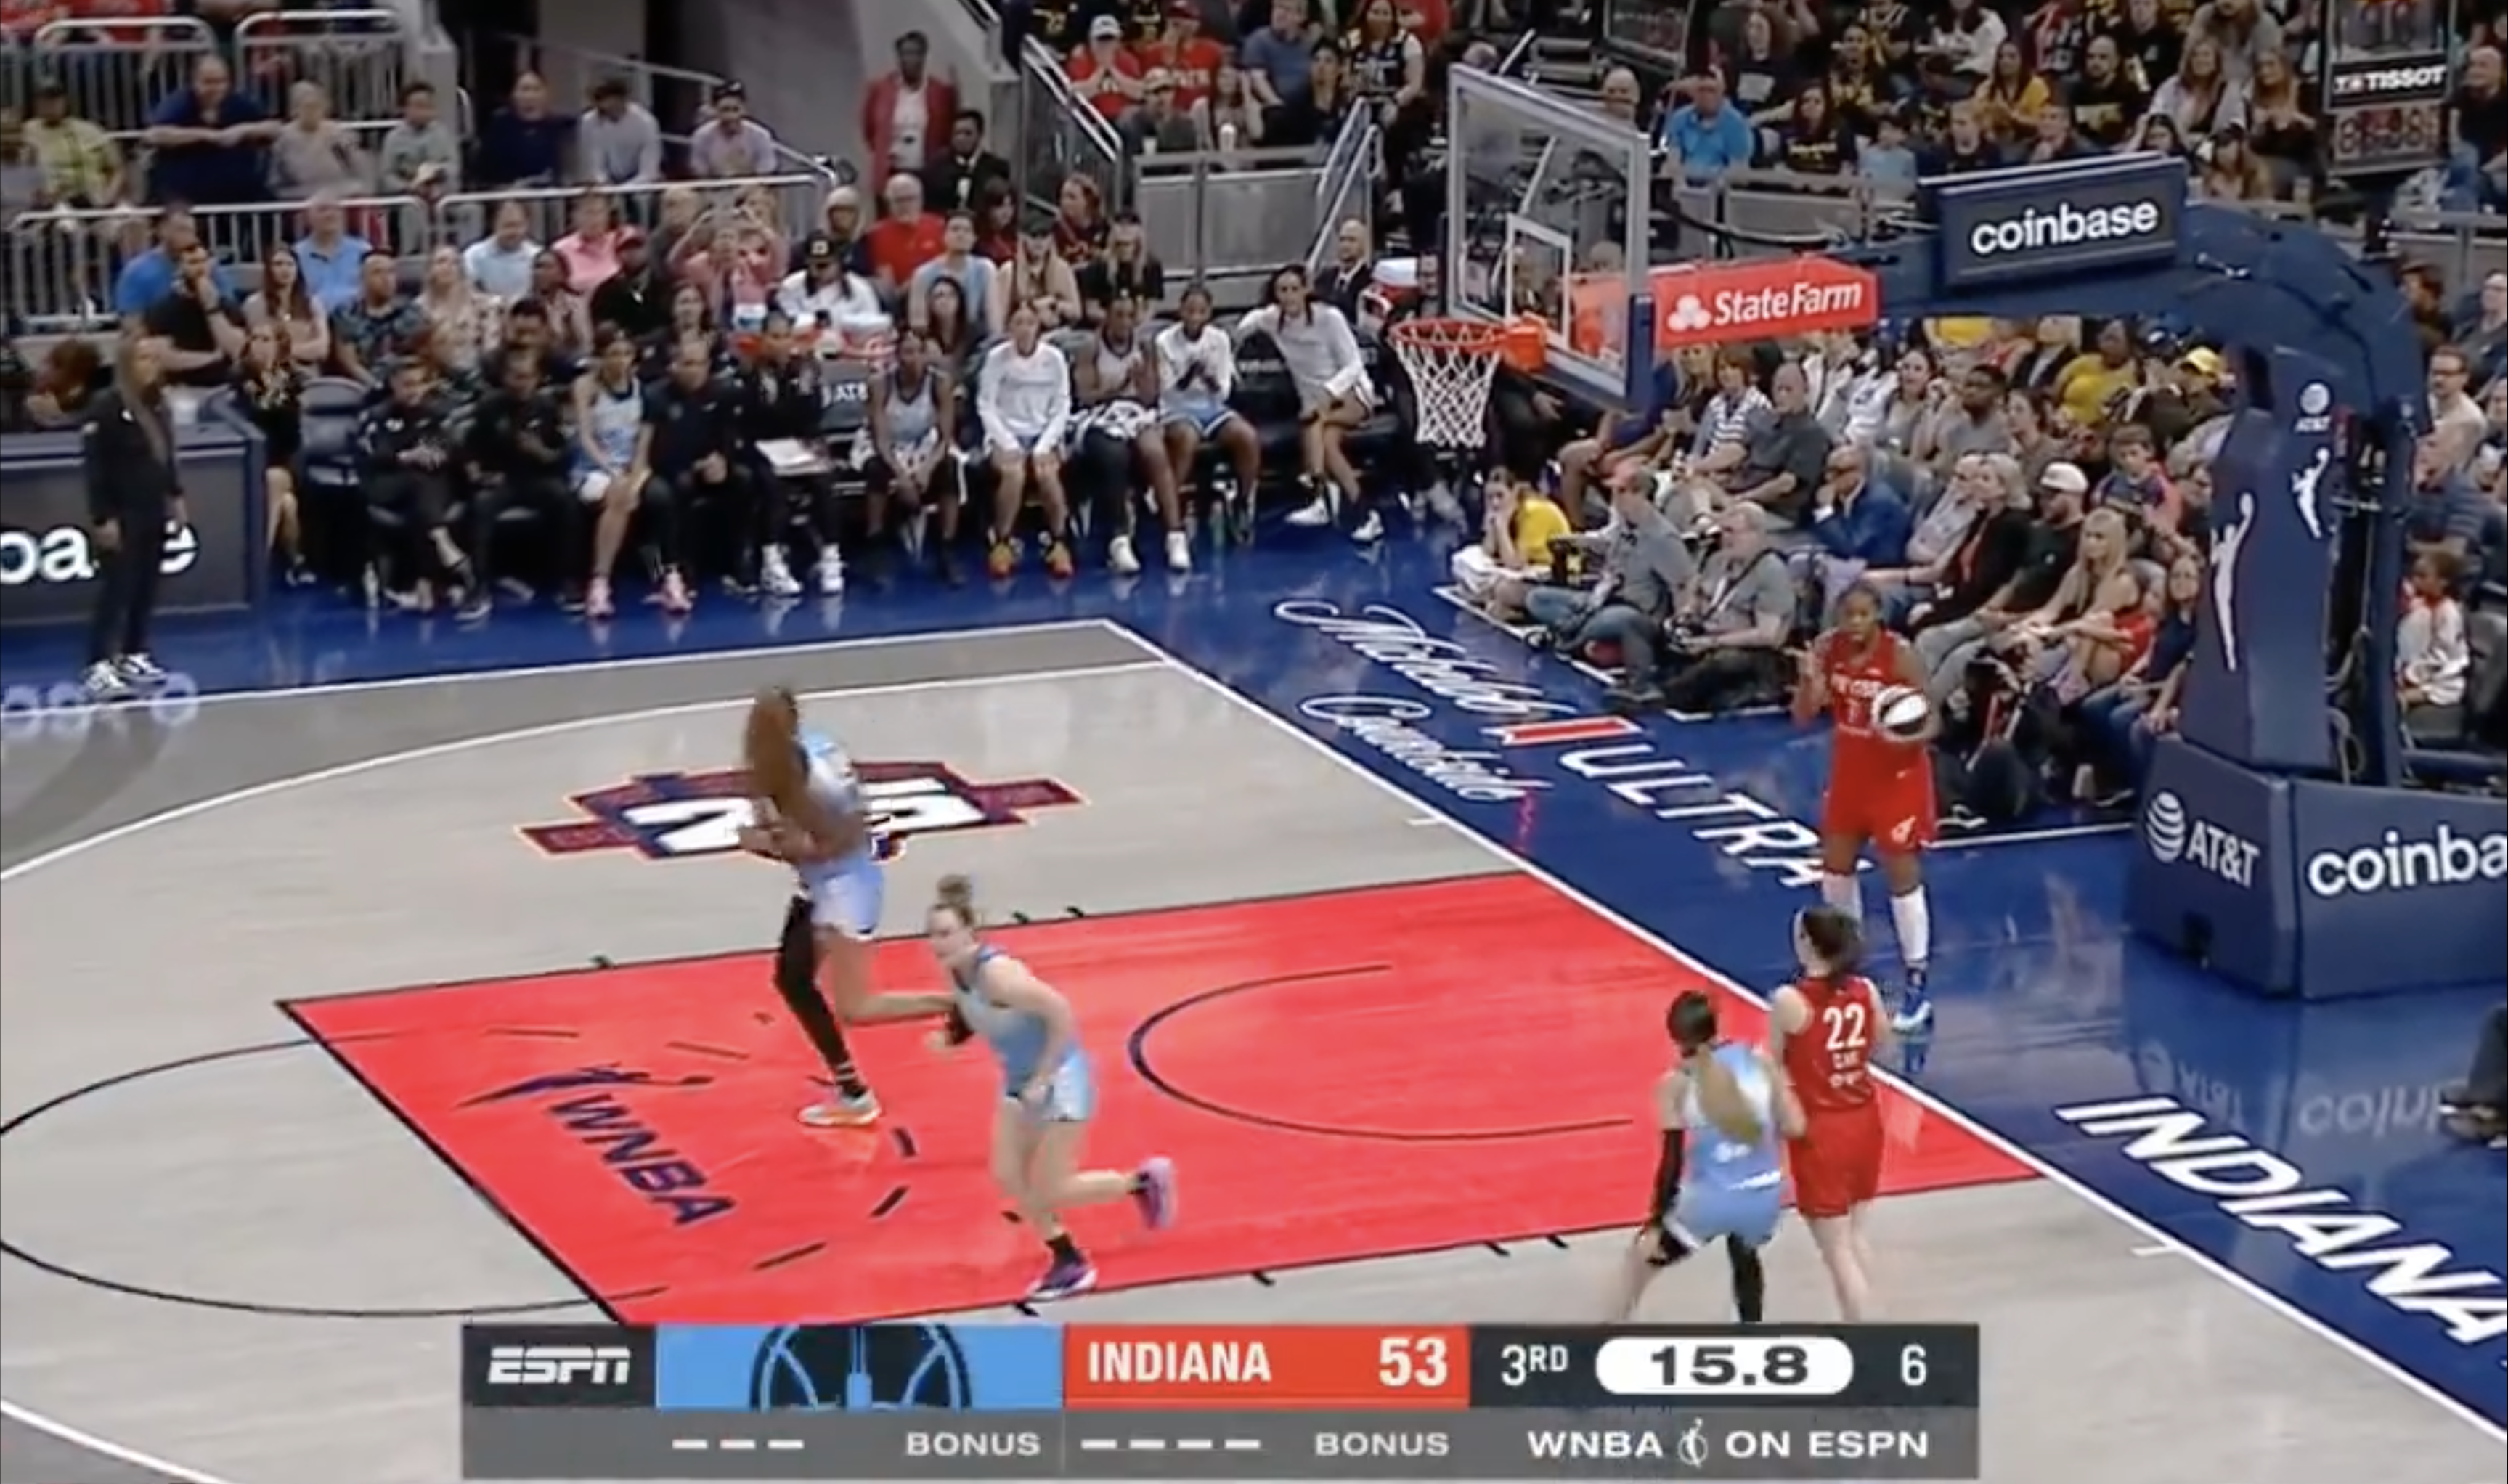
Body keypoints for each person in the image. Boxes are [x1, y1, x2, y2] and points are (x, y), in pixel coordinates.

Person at [851, 874, 1178, 1300]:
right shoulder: (959, 974)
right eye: (932, 935)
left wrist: (1043, 1077)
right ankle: (1068, 1258)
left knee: (1050, 1187)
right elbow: (971, 1011)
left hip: (1060, 1078)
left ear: (971, 932)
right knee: (1008, 1174)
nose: (939, 943)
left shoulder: (999, 976)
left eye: (947, 933)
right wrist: (951, 1037)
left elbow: (1060, 1013)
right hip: (1019, 1080)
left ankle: (1138, 1184)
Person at [1792, 580, 1942, 1043]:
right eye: (1846, 615)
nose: (1854, 623)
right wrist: (1811, 682)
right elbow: (1802, 715)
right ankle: (1845, 966)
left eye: (1862, 614)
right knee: (1836, 868)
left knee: (1900, 873)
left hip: (1897, 778)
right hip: (1850, 773)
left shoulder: (1900, 655)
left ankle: (1917, 983)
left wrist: (1907, 737)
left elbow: (1932, 717)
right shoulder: (1827, 649)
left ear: (1878, 615)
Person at [734, 688, 887, 1129]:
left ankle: (856, 1092)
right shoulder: (822, 746)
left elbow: (810, 847)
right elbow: (853, 820)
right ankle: (853, 1090)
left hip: (837, 886)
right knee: (795, 977)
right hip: (843, 876)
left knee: (835, 996)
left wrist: (757, 840)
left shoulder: (787, 774)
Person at [1609, 990, 1799, 1322]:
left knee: (1639, 1260)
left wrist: (1655, 1223)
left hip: (1713, 1201)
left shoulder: (1676, 1084)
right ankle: (1751, 1328)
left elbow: (1671, 1163)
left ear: (1676, 1038)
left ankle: (1608, 1334)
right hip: (1766, 1195)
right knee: (1744, 1249)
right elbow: (1794, 1125)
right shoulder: (1759, 1060)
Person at [1769, 905, 1892, 1321]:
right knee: (1855, 1238)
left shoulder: (1789, 1000)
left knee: (1836, 1252)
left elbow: (1774, 1064)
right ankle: (1880, 1323)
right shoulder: (1865, 990)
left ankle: (1867, 1343)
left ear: (1808, 943)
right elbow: (1882, 1043)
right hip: (1863, 1117)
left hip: (1822, 1129)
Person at [79, 337, 188, 701]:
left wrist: (175, 495)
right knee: (117, 590)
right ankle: (98, 664)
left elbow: (166, 454)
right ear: (127, 363)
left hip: (152, 508)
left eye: (155, 359)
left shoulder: (158, 405)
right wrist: (102, 516)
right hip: (121, 511)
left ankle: (133, 653)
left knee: (146, 585)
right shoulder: (105, 407)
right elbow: (95, 469)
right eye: (143, 359)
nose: (151, 365)